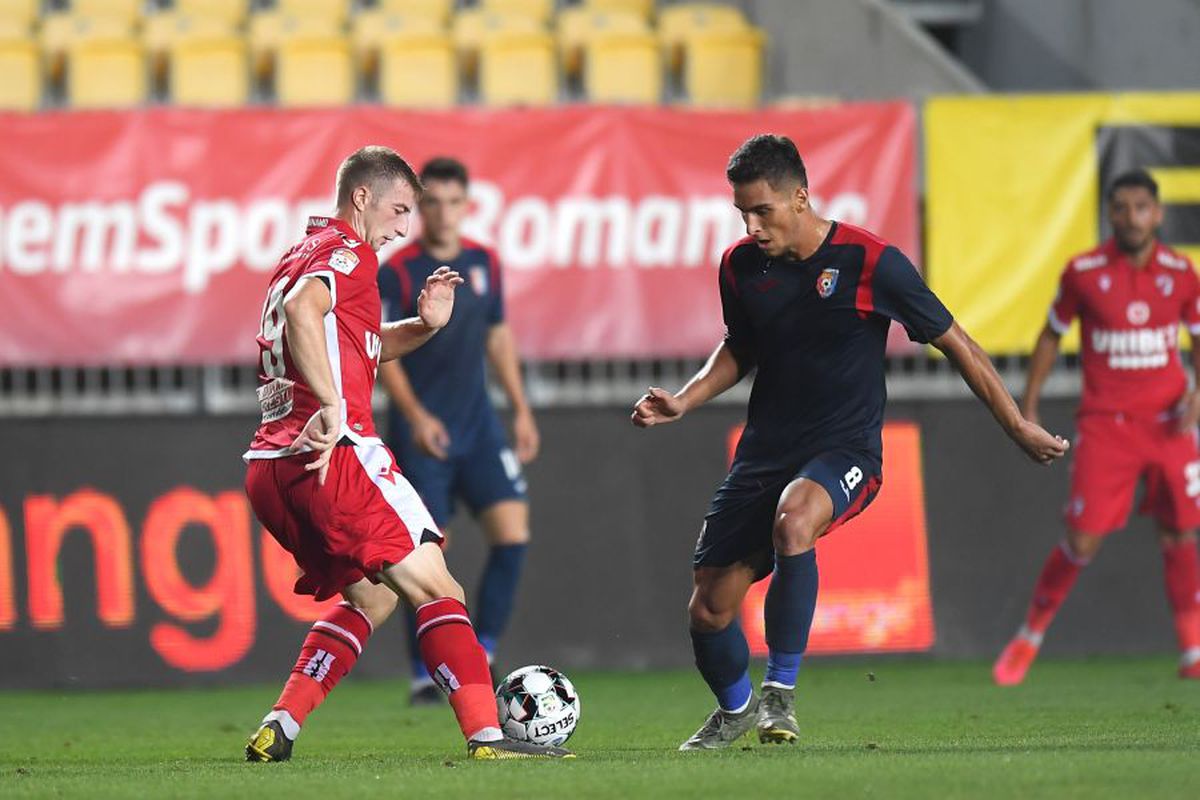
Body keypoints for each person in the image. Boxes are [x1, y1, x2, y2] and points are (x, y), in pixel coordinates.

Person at [631, 134, 1069, 751]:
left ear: (801, 197)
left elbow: (957, 343)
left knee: (795, 520)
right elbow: (740, 348)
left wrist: (1017, 425)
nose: (752, 226)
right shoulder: (739, 267)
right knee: (709, 608)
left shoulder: (870, 262)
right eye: (742, 214)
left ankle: (779, 696)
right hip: (765, 452)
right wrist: (685, 398)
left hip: (845, 450)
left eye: (763, 211)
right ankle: (735, 710)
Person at [242, 145, 571, 761]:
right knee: (439, 588)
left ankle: (280, 725)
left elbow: (350, 340)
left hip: (271, 468)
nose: (402, 226)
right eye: (397, 209)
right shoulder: (350, 252)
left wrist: (422, 326)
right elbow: (301, 311)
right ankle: (487, 737)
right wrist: (335, 409)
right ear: (361, 198)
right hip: (333, 454)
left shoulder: (298, 254)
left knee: (374, 595)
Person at [993, 169, 1200, 685]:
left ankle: (1193, 649)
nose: (1132, 217)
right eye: (1122, 207)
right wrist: (1030, 407)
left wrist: (1197, 394)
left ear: (1158, 213)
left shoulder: (1182, 272)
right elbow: (1049, 336)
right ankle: (1029, 636)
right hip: (1108, 427)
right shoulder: (1083, 272)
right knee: (1082, 541)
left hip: (1170, 425)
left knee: (1180, 532)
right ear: (1109, 214)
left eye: (1141, 207)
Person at [377, 157, 537, 704]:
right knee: (423, 557)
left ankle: (484, 649)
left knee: (512, 535)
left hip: (481, 426)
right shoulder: (398, 270)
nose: (443, 212)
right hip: (425, 433)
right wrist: (417, 418)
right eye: (433, 202)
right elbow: (382, 352)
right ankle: (427, 674)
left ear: (467, 205)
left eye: (453, 202)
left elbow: (498, 336)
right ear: (420, 207)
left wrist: (521, 408)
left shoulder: (484, 261)